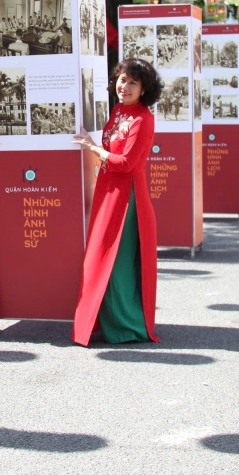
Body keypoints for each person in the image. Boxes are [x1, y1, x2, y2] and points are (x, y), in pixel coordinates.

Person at [71, 58, 162, 346]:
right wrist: (94, 144)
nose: (125, 86)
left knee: (118, 263)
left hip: (127, 199)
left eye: (133, 82)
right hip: (108, 191)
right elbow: (111, 150)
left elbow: (125, 163)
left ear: (144, 88)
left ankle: (128, 327)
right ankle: (109, 322)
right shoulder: (119, 111)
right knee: (100, 259)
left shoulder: (143, 119)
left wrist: (94, 148)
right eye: (122, 80)